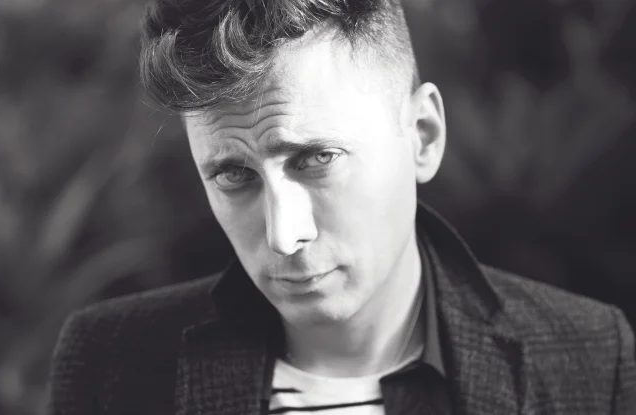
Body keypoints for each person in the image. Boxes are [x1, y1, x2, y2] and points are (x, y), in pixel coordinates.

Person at [47, 0, 636, 414]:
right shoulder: (112, 361)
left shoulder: (588, 356)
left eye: (316, 159)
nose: (284, 235)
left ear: (423, 136)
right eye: (234, 175)